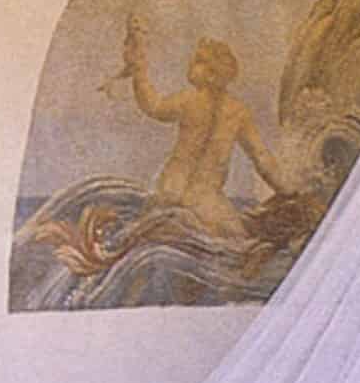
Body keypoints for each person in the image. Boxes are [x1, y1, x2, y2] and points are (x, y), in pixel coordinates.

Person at [116, 14, 298, 241]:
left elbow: (154, 106)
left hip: (171, 189)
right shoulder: (237, 111)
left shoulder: (189, 100)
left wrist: (139, 73)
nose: (191, 64)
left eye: (199, 61)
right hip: (204, 200)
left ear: (213, 73)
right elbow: (261, 158)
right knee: (240, 241)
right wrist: (287, 190)